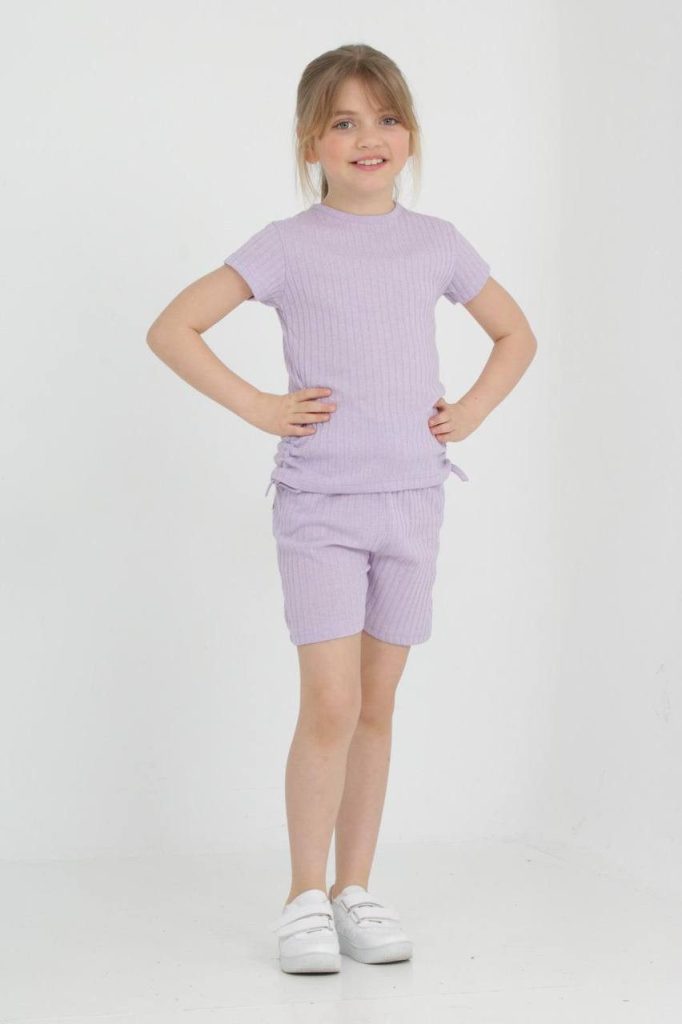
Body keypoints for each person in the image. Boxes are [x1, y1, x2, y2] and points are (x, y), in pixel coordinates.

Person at [146, 43, 537, 975]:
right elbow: (173, 327)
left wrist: (471, 411)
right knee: (330, 700)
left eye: (387, 118)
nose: (370, 137)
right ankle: (303, 895)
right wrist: (260, 406)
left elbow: (516, 334)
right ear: (310, 142)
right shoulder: (287, 246)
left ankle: (355, 887)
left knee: (377, 704)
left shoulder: (436, 242)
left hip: (412, 503)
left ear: (411, 134)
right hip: (320, 505)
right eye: (345, 122)